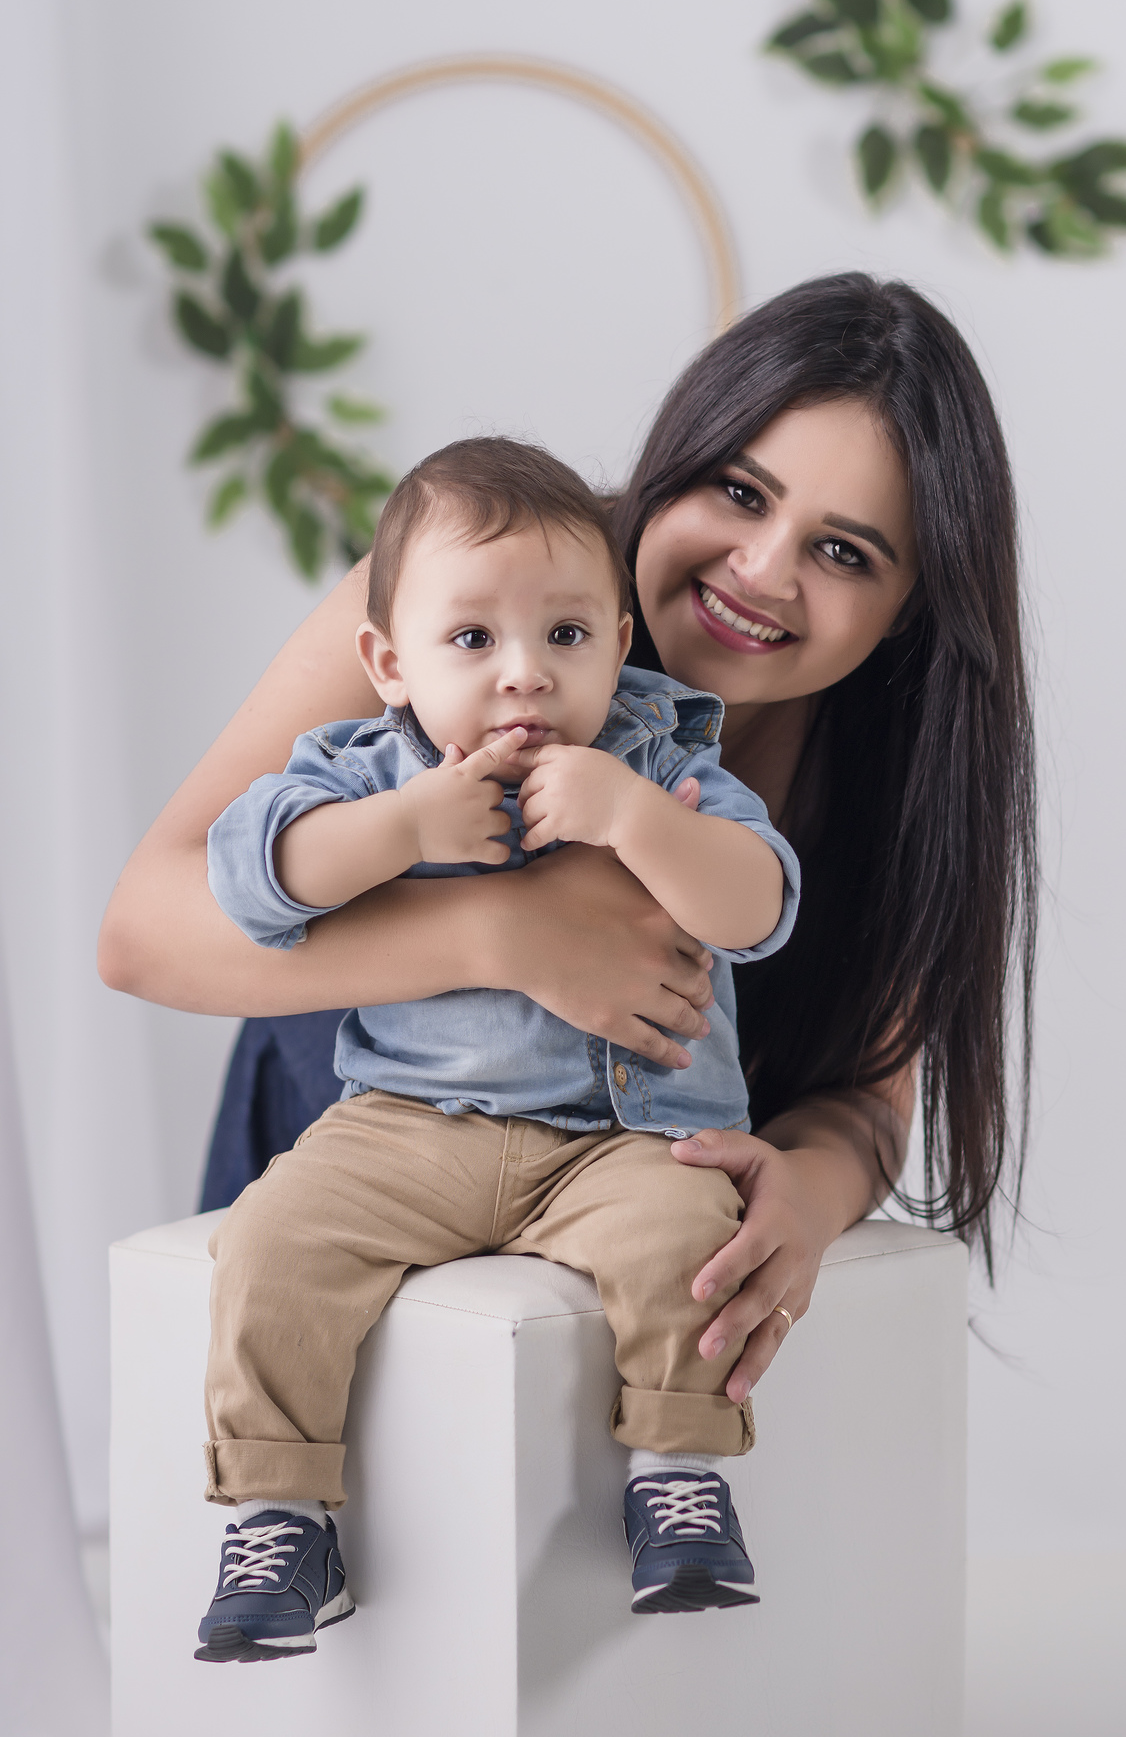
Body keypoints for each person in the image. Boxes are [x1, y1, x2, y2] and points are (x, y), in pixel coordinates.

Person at [99, 270, 1036, 1626]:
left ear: (908, 609)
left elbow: (870, 1103)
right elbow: (143, 928)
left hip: (628, 1183)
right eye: (742, 492)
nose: (763, 571)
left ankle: (677, 1497)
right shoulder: (474, 588)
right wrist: (501, 932)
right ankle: (283, 1533)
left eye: (845, 553)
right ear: (678, 456)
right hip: (368, 1115)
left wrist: (811, 1194)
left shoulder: (893, 774)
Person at [195, 438, 800, 1657]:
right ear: (390, 662)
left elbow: (760, 906)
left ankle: (676, 1480)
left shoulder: (663, 759)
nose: (525, 672)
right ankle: (281, 1516)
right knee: (267, 1243)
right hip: (408, 1128)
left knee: (688, 1242)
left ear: (618, 645)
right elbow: (252, 879)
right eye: (472, 640)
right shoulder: (366, 769)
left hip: (620, 1138)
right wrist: (398, 828)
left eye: (565, 636)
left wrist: (634, 818)